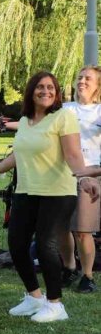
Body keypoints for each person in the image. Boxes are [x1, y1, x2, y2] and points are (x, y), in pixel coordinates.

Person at [0, 71, 98, 322]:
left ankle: (55, 305)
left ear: (57, 92)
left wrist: (84, 178)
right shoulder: (25, 121)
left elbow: (73, 154)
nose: (46, 91)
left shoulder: (64, 116)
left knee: (45, 245)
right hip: (26, 190)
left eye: (51, 87)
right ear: (31, 91)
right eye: (40, 87)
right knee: (16, 244)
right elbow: (18, 154)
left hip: (57, 193)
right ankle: (34, 297)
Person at [60, 66, 101, 293]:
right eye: (80, 77)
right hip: (61, 175)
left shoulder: (99, 111)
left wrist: (94, 171)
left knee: (82, 230)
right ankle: (69, 267)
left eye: (88, 79)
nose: (82, 81)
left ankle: (87, 275)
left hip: (89, 177)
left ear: (97, 86)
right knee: (61, 227)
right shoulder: (64, 108)